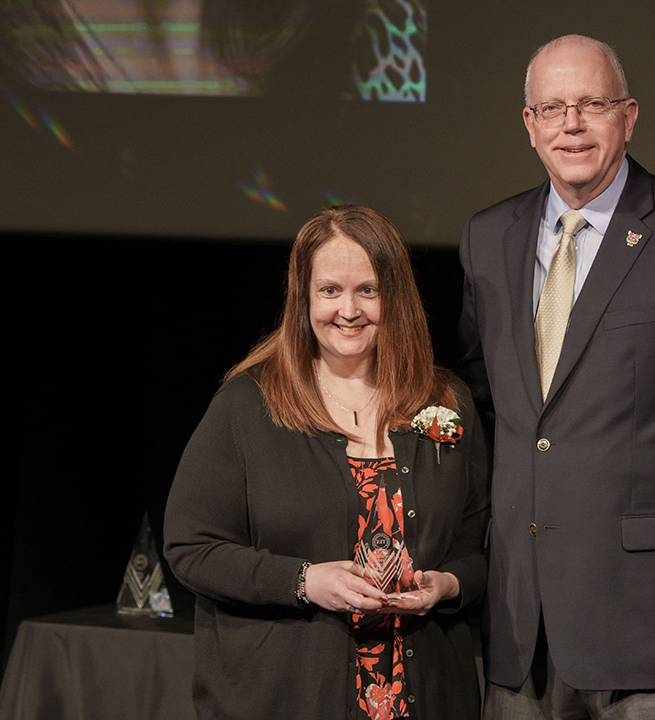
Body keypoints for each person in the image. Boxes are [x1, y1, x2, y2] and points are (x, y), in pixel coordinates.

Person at [457, 34, 655, 719]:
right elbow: (484, 414)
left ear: (628, 116)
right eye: (552, 108)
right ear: (529, 125)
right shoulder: (487, 238)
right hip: (523, 632)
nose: (571, 124)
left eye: (592, 104)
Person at [164, 204, 489, 719]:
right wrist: (303, 581)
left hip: (425, 694)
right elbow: (191, 548)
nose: (349, 309)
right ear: (304, 298)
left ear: (395, 297)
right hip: (286, 695)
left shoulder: (448, 401)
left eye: (368, 290)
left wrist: (447, 585)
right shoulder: (248, 405)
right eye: (330, 290)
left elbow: (477, 545)